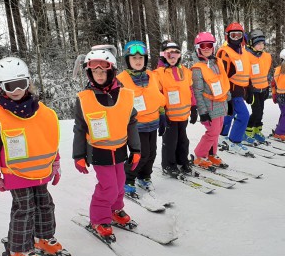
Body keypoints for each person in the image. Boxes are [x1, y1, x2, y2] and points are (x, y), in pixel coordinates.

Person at [0, 57, 62, 256]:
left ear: (28, 83)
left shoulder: (43, 112)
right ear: (1, 87)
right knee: (24, 208)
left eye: (21, 84)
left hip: (40, 170)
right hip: (14, 173)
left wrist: (55, 162)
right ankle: (17, 250)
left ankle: (44, 237)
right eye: (10, 86)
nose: (16, 90)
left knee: (45, 203)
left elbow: (50, 139)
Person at [73, 48, 140, 241]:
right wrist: (78, 156)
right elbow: (79, 128)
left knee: (119, 185)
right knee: (108, 186)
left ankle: (115, 209)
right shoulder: (85, 98)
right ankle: (99, 219)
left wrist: (135, 149)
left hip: (120, 149)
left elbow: (131, 122)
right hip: (99, 152)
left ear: (111, 71)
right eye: (95, 71)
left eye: (103, 70)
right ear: (89, 73)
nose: (99, 75)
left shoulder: (125, 95)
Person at [117, 41, 165, 192]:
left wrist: (162, 115)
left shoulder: (152, 75)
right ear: (127, 60)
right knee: (141, 154)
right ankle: (128, 179)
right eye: (134, 58)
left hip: (153, 122)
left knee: (152, 153)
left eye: (141, 58)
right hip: (136, 125)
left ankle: (145, 176)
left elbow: (158, 96)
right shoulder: (121, 80)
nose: (138, 61)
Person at [155, 40, 197, 176]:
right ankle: (168, 165)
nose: (172, 57)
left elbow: (190, 90)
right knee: (170, 142)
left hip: (183, 115)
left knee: (183, 141)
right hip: (169, 117)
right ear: (163, 55)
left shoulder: (185, 71)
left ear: (179, 55)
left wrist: (194, 106)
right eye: (169, 54)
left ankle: (182, 161)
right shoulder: (158, 74)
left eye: (176, 54)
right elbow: (157, 94)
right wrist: (161, 113)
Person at [191, 31, 231, 168]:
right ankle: (200, 155)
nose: (206, 48)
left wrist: (229, 100)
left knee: (217, 131)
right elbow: (198, 92)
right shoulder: (197, 69)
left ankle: (212, 154)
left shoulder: (217, 62)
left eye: (209, 45)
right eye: (203, 46)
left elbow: (224, 81)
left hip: (221, 103)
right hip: (209, 106)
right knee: (212, 132)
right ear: (198, 48)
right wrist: (202, 112)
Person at [216, 22, 251, 153]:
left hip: (241, 90)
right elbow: (221, 75)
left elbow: (246, 72)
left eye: (238, 35)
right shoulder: (225, 52)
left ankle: (222, 135)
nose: (236, 38)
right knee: (244, 115)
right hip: (231, 91)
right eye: (233, 35)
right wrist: (226, 93)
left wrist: (248, 89)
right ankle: (234, 141)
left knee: (230, 114)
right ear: (227, 37)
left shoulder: (243, 52)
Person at [244, 29, 273, 144]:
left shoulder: (267, 56)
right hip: (253, 89)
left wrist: (267, 87)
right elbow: (245, 74)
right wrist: (248, 89)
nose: (261, 46)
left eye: (262, 43)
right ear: (251, 44)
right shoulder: (246, 56)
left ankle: (257, 130)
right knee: (256, 112)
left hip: (263, 88)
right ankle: (247, 132)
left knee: (261, 112)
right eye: (258, 44)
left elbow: (267, 73)